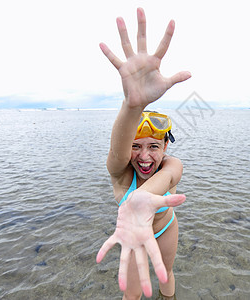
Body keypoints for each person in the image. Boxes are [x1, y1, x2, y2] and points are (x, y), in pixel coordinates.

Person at [95, 7, 191, 300]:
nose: (145, 156)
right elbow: (116, 151)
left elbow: (169, 175)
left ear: (165, 147)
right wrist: (131, 106)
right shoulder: (119, 173)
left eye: (153, 146)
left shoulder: (171, 166)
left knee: (165, 277)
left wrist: (139, 201)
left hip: (165, 230)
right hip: (134, 238)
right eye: (135, 146)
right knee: (132, 295)